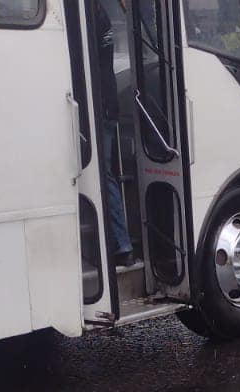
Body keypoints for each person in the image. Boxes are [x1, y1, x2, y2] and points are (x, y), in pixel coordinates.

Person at [92, 1, 136, 268]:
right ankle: (121, 244)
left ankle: (121, 244)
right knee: (105, 174)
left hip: (101, 107)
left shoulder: (94, 19)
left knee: (103, 174)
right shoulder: (102, 16)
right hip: (107, 105)